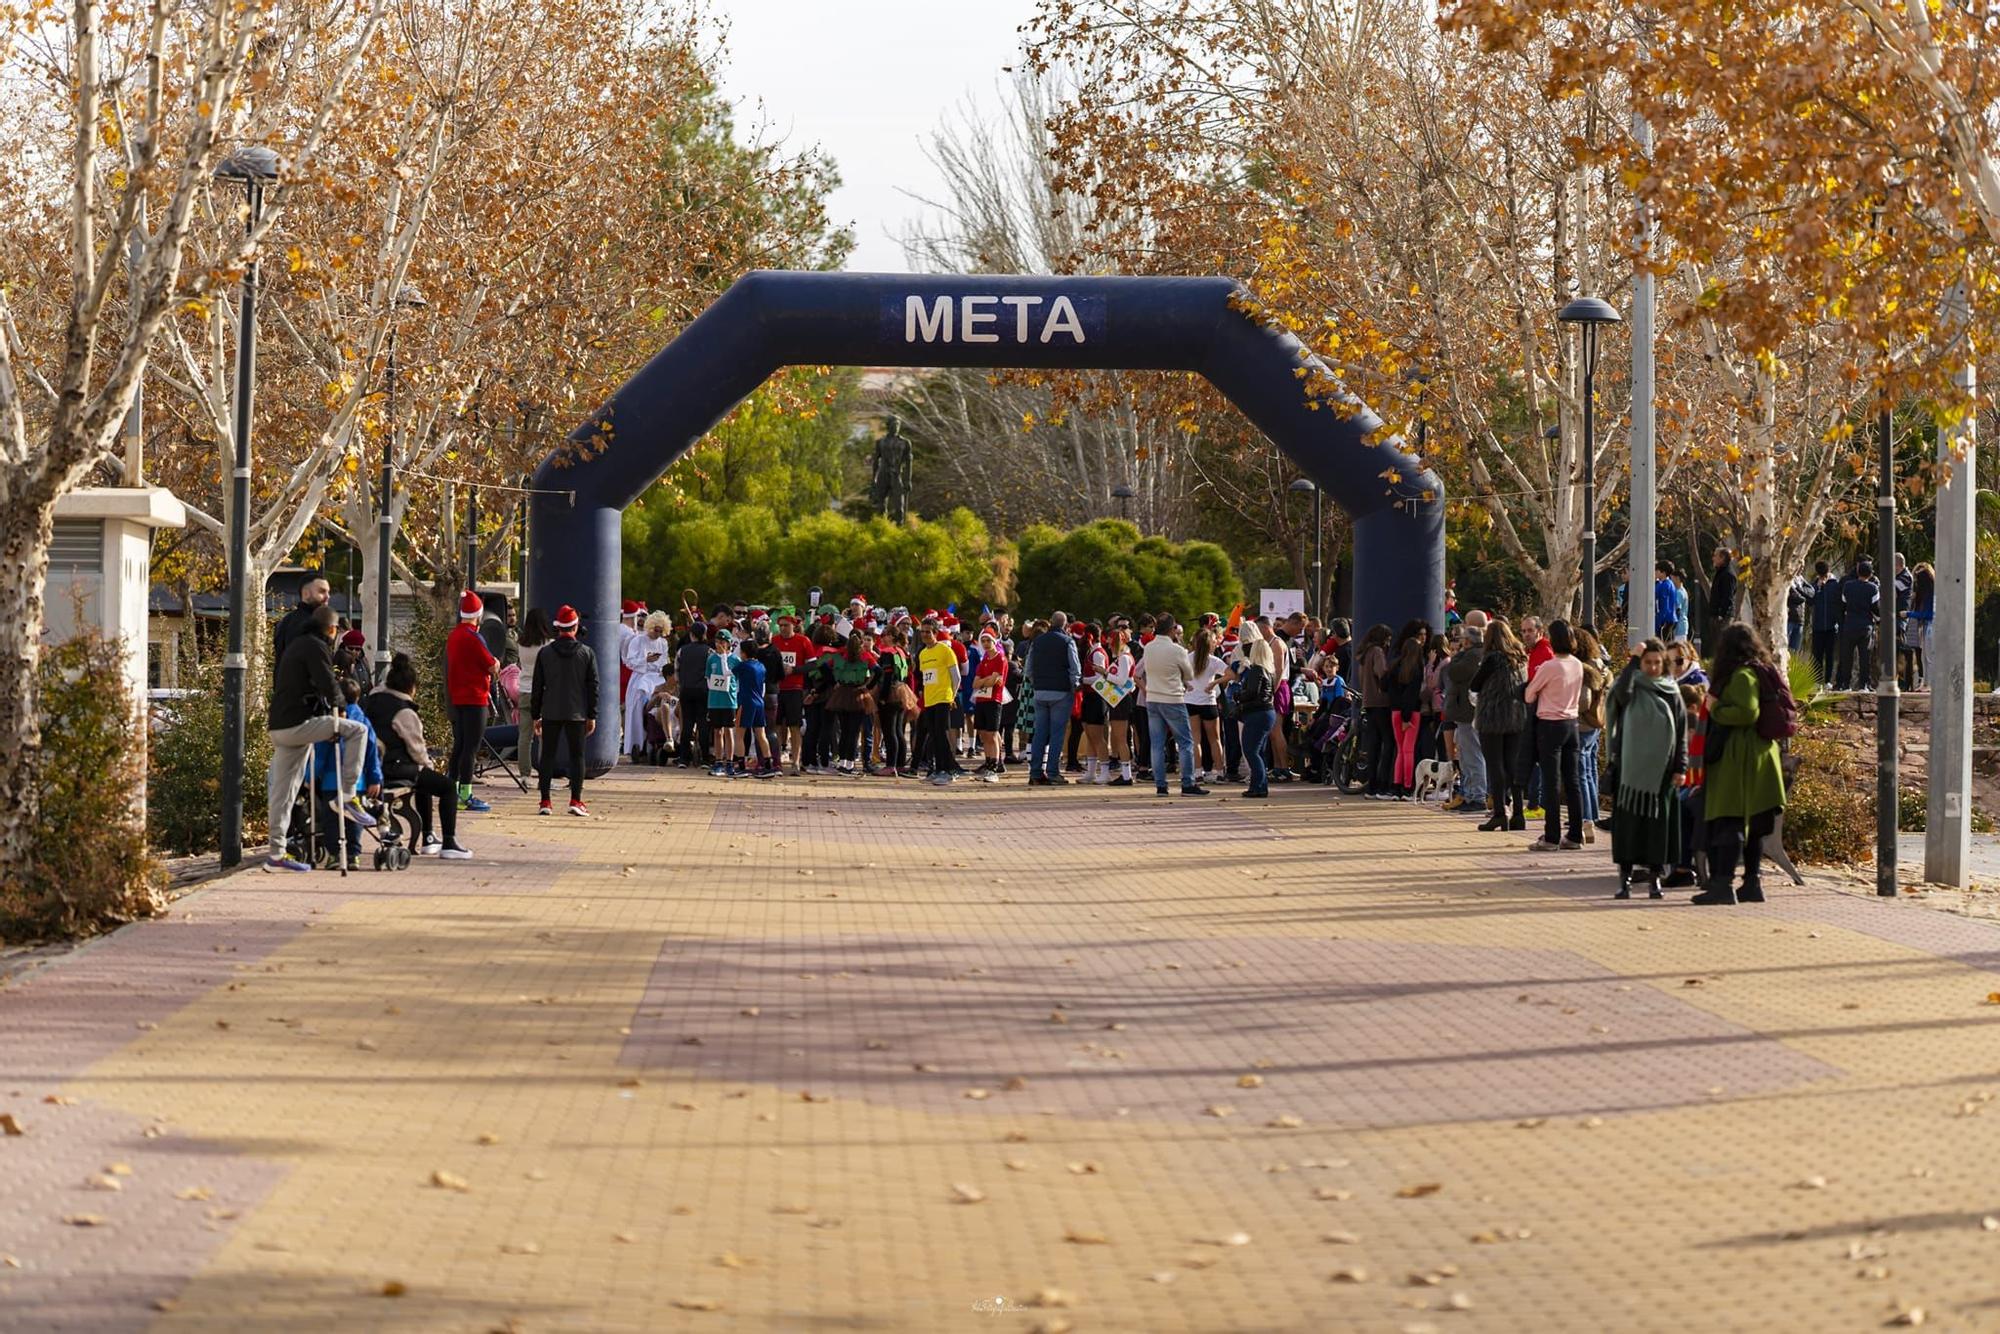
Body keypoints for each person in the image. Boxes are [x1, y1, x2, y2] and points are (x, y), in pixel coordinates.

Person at [264, 604, 376, 872]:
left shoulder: (297, 644)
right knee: (358, 730)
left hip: (280, 726)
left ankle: (277, 853)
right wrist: (338, 706)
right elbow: (328, 683)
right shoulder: (316, 646)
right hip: (299, 724)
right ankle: (347, 794)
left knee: (285, 791)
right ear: (331, 629)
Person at [1693, 623, 1788, 905]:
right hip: (1757, 756)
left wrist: (1716, 708)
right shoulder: (1757, 670)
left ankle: (1723, 884)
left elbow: (1747, 712)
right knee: (1755, 825)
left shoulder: (1742, 675)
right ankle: (1751, 884)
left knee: (1730, 819)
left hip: (1740, 758)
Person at [366, 654, 473, 855]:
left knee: (425, 779)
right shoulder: (404, 712)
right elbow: (417, 750)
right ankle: (449, 843)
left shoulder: (374, 698)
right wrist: (429, 766)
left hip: (371, 765)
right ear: (411, 687)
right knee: (447, 786)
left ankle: (429, 837)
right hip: (394, 767)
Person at [1606, 638, 1685, 898]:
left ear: (1663, 664)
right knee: (1628, 829)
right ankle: (1624, 881)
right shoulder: (1631, 687)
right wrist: (1632, 661)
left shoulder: (1671, 691)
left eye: (1656, 663)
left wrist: (1680, 767)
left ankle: (1654, 880)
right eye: (1647, 662)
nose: (1652, 667)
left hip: (1661, 774)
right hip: (1629, 773)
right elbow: (1620, 693)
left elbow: (1681, 732)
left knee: (1657, 829)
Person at [528, 604, 599, 816]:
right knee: (577, 757)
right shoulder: (587, 653)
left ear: (557, 627)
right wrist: (592, 714)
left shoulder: (545, 653)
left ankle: (545, 802)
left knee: (547, 756)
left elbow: (537, 686)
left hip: (550, 711)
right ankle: (576, 800)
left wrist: (535, 714)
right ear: (575, 627)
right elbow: (593, 686)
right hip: (577, 712)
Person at [1523, 619, 1586, 850]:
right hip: (1572, 722)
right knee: (1573, 781)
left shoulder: (1550, 666)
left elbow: (1529, 694)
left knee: (1551, 782)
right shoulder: (1578, 664)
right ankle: (1575, 834)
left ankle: (1551, 836)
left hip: (1550, 724)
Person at [311, 676, 383, 867]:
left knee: (331, 820)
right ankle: (353, 854)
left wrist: (311, 775)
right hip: (357, 780)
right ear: (358, 698)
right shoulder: (364, 722)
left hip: (330, 780)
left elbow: (320, 752)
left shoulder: (332, 722)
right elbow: (371, 752)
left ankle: (334, 854)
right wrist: (375, 778)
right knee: (353, 819)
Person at [1469, 619, 1529, 832]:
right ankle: (1519, 815)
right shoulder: (1521, 658)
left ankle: (1499, 814)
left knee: (1495, 766)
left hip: (1493, 717)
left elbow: (1474, 684)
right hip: (1515, 716)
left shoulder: (1492, 659)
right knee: (1513, 766)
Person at [1139, 614, 1207, 796]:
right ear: (1172, 630)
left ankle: (1161, 785)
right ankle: (1187, 783)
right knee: (1185, 742)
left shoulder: (1149, 648)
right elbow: (1189, 674)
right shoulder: (1177, 650)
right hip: (1173, 698)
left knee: (1156, 744)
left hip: (1153, 698)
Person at [445, 589, 500, 812]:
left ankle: (452, 790)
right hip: (475, 699)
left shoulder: (454, 635)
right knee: (471, 747)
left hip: (456, 697)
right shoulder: (474, 637)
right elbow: (491, 665)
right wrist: (496, 662)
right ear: (478, 615)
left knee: (458, 746)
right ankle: (465, 795)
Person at [1027, 611, 1080, 786]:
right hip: (1061, 692)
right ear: (1065, 625)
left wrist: (1037, 683)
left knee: (1039, 733)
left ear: (1050, 623)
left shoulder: (1037, 641)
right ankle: (1053, 772)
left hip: (1040, 692)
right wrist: (1074, 687)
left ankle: (1035, 772)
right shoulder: (1067, 641)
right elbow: (1074, 668)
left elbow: (1028, 669)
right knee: (1057, 734)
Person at [1443, 612, 1488, 813]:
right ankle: (1469, 793)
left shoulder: (1472, 656)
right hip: (1465, 711)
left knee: (1472, 755)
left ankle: (1476, 795)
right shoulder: (1474, 655)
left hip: (1468, 712)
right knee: (1465, 755)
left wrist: (1457, 655)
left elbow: (1454, 672)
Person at [1231, 622, 1279, 798]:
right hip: (1267, 713)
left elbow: (1252, 692)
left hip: (1257, 714)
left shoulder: (1256, 670)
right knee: (1259, 751)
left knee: (1251, 751)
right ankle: (1260, 785)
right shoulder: (1269, 670)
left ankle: (1257, 786)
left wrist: (1238, 696)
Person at [1573, 627, 1610, 842]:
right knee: (1589, 770)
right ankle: (1592, 813)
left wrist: (1569, 705)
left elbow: (1583, 700)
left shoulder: (1585, 669)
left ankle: (1586, 816)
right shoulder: (1600, 664)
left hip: (1582, 724)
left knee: (1581, 772)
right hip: (1596, 723)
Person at [1382, 625, 1426, 800]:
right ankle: (1408, 787)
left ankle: (1396, 786)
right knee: (1409, 751)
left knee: (1400, 750)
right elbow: (1412, 695)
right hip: (1410, 713)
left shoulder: (1394, 667)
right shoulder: (1416, 669)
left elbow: (1385, 686)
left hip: (1395, 712)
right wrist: (1407, 717)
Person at [917, 621, 962, 786]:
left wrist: (951, 697)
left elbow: (956, 677)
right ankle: (937, 769)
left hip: (943, 698)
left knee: (942, 735)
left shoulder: (945, 651)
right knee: (934, 735)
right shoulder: (922, 654)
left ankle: (948, 771)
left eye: (928, 632)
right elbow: (925, 678)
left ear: (935, 633)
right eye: (923, 632)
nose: (925, 635)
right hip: (929, 700)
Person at [622, 610, 671, 759]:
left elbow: (665, 662)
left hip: (657, 678)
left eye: (661, 631)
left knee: (659, 706)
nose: (658, 634)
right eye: (656, 630)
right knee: (638, 709)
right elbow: (629, 661)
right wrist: (645, 661)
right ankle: (637, 744)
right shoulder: (638, 640)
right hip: (640, 678)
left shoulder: (663, 642)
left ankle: (659, 739)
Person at [771, 611, 815, 773]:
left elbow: (812, 665)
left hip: (795, 689)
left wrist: (794, 670)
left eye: (786, 625)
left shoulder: (803, 641)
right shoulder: (774, 641)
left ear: (794, 626)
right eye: (780, 625)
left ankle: (795, 761)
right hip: (777, 689)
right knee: (775, 725)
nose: (782, 628)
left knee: (794, 726)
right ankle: (776, 760)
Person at [1354, 623, 1394, 797]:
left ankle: (1371, 784)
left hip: (1368, 702)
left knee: (1373, 744)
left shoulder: (1364, 654)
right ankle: (1383, 782)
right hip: (1381, 702)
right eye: (1388, 639)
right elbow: (1381, 673)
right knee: (1388, 742)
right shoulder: (1377, 652)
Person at [733, 628, 773, 777]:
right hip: (759, 702)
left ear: (744, 653)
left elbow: (731, 671)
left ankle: (741, 766)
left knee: (739, 734)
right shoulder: (761, 666)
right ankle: (768, 764)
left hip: (746, 702)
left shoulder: (743, 666)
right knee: (761, 734)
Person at [271, 570, 331, 670]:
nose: (327, 597)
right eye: (322, 591)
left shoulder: (286, 621)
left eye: (328, 592)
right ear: (306, 593)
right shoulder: (309, 625)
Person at [674, 618, 713, 769]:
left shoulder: (682, 650)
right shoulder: (709, 651)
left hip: (686, 690)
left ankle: (684, 758)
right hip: (703, 690)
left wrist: (681, 684)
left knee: (687, 723)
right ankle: (705, 758)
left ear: (691, 634)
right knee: (703, 723)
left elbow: (677, 671)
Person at [1835, 558, 1878, 691]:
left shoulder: (1848, 586)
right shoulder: (1873, 588)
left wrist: (1842, 622)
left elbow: (1842, 605)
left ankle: (1845, 684)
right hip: (1865, 626)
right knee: (1865, 657)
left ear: (1858, 571)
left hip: (1849, 624)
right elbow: (1876, 608)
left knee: (1847, 656)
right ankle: (1864, 684)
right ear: (1870, 574)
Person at [972, 627, 1008, 781]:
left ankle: (994, 767)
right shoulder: (983, 661)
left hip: (994, 700)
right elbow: (975, 683)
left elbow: (996, 681)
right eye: (983, 641)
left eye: (989, 641)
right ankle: (987, 763)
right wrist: (986, 681)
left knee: (993, 733)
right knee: (984, 733)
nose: (986, 644)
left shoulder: (1000, 659)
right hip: (981, 699)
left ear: (994, 641)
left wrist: (984, 681)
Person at [705, 628, 742, 777]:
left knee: (729, 730)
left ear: (728, 643)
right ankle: (718, 761)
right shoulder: (711, 659)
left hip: (729, 701)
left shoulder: (734, 660)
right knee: (717, 731)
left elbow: (737, 680)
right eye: (717, 641)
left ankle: (730, 762)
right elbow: (708, 678)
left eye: (722, 642)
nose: (719, 645)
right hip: (714, 701)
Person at [1809, 560, 1841, 685]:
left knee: (1830, 655)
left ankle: (1828, 680)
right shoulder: (1814, 585)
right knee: (1817, 655)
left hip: (1832, 626)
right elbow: (1810, 601)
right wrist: (1818, 587)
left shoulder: (1835, 584)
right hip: (1817, 626)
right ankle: (1817, 681)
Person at [1906, 560, 1935, 690]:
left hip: (1930, 625)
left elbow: (1929, 614)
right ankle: (1926, 682)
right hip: (1924, 626)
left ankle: (1930, 683)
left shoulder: (1931, 594)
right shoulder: (1924, 595)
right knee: (1924, 656)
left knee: (1929, 656)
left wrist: (1909, 614)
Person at [1706, 547, 1737, 650]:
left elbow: (1728, 597)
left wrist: (1721, 614)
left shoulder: (1728, 575)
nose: (1713, 558)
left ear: (1722, 558)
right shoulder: (1720, 573)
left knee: (1723, 646)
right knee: (1716, 646)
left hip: (1722, 618)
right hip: (1716, 616)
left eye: (1715, 556)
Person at [334, 628, 373, 694]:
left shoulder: (364, 661)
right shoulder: (340, 659)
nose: (354, 651)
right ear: (345, 647)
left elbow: (368, 681)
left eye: (357, 649)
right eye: (351, 648)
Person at [1652, 561, 1679, 640]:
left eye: (1656, 570)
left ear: (1663, 572)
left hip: (1665, 621)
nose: (1655, 572)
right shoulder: (1670, 584)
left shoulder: (1664, 585)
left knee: (1663, 645)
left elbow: (1664, 605)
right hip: (1671, 618)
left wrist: (1658, 623)